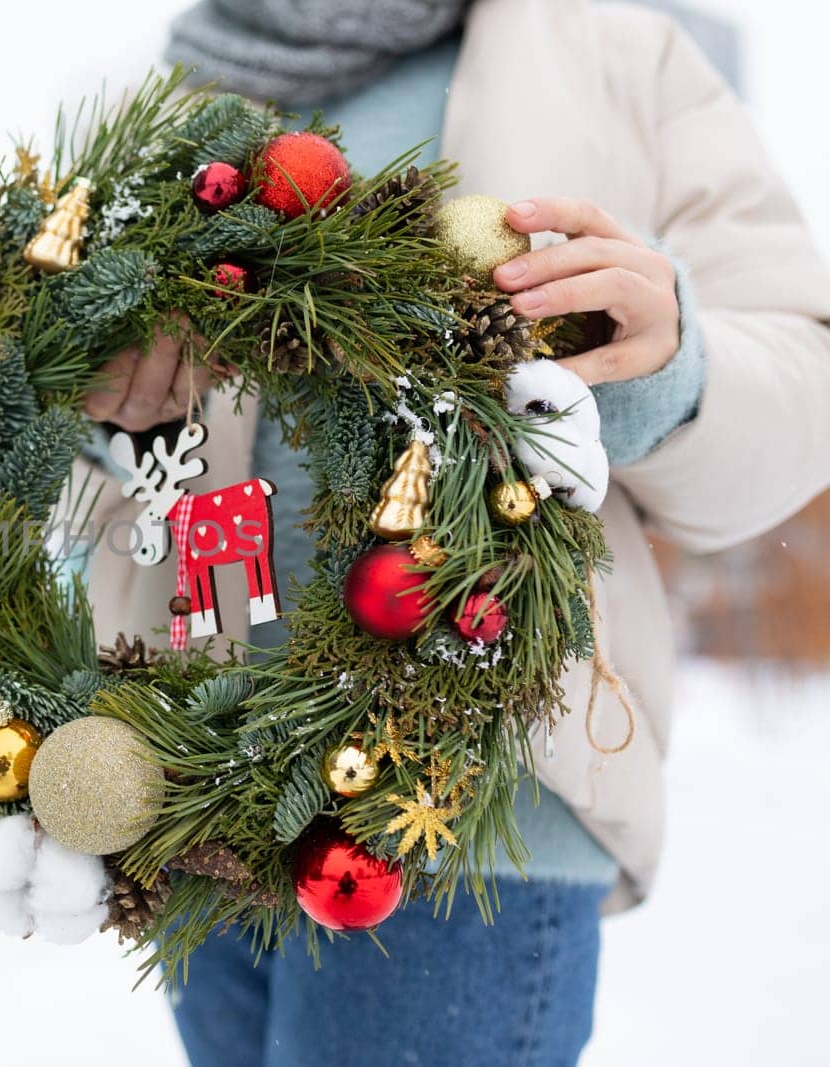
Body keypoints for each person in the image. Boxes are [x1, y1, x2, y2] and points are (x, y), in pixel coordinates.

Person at [75, 1, 830, 1064]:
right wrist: (103, 411)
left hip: (466, 806)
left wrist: (667, 362)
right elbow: (63, 467)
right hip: (201, 800)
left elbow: (805, 383)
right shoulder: (178, 90)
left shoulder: (607, 50)